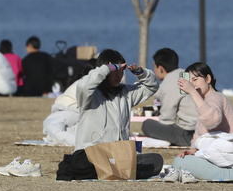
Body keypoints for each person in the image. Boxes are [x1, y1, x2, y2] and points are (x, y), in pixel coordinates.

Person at [56, 49, 163, 181]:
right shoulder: (90, 95)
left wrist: (141, 73)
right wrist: (108, 68)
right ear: (105, 70)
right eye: (115, 70)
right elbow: (84, 86)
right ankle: (114, 171)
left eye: (121, 70)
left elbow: (152, 86)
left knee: (156, 160)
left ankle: (114, 171)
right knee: (80, 164)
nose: (119, 75)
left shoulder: (126, 93)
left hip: (118, 156)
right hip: (91, 155)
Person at [163, 62, 233, 182]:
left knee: (178, 162)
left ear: (208, 79)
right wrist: (193, 151)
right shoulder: (207, 101)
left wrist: (192, 92)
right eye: (190, 81)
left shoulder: (215, 97)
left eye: (195, 79)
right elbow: (201, 133)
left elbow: (212, 121)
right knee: (182, 160)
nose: (193, 84)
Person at [141, 48, 198, 147]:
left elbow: (167, 120)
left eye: (154, 67)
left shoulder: (168, 84)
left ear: (160, 68)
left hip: (189, 135)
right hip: (203, 129)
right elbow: (161, 92)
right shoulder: (185, 74)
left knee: (147, 125)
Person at [43, 58, 97, 146]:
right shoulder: (86, 84)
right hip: (70, 112)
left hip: (68, 111)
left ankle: (84, 143)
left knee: (53, 129)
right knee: (55, 130)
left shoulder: (84, 83)